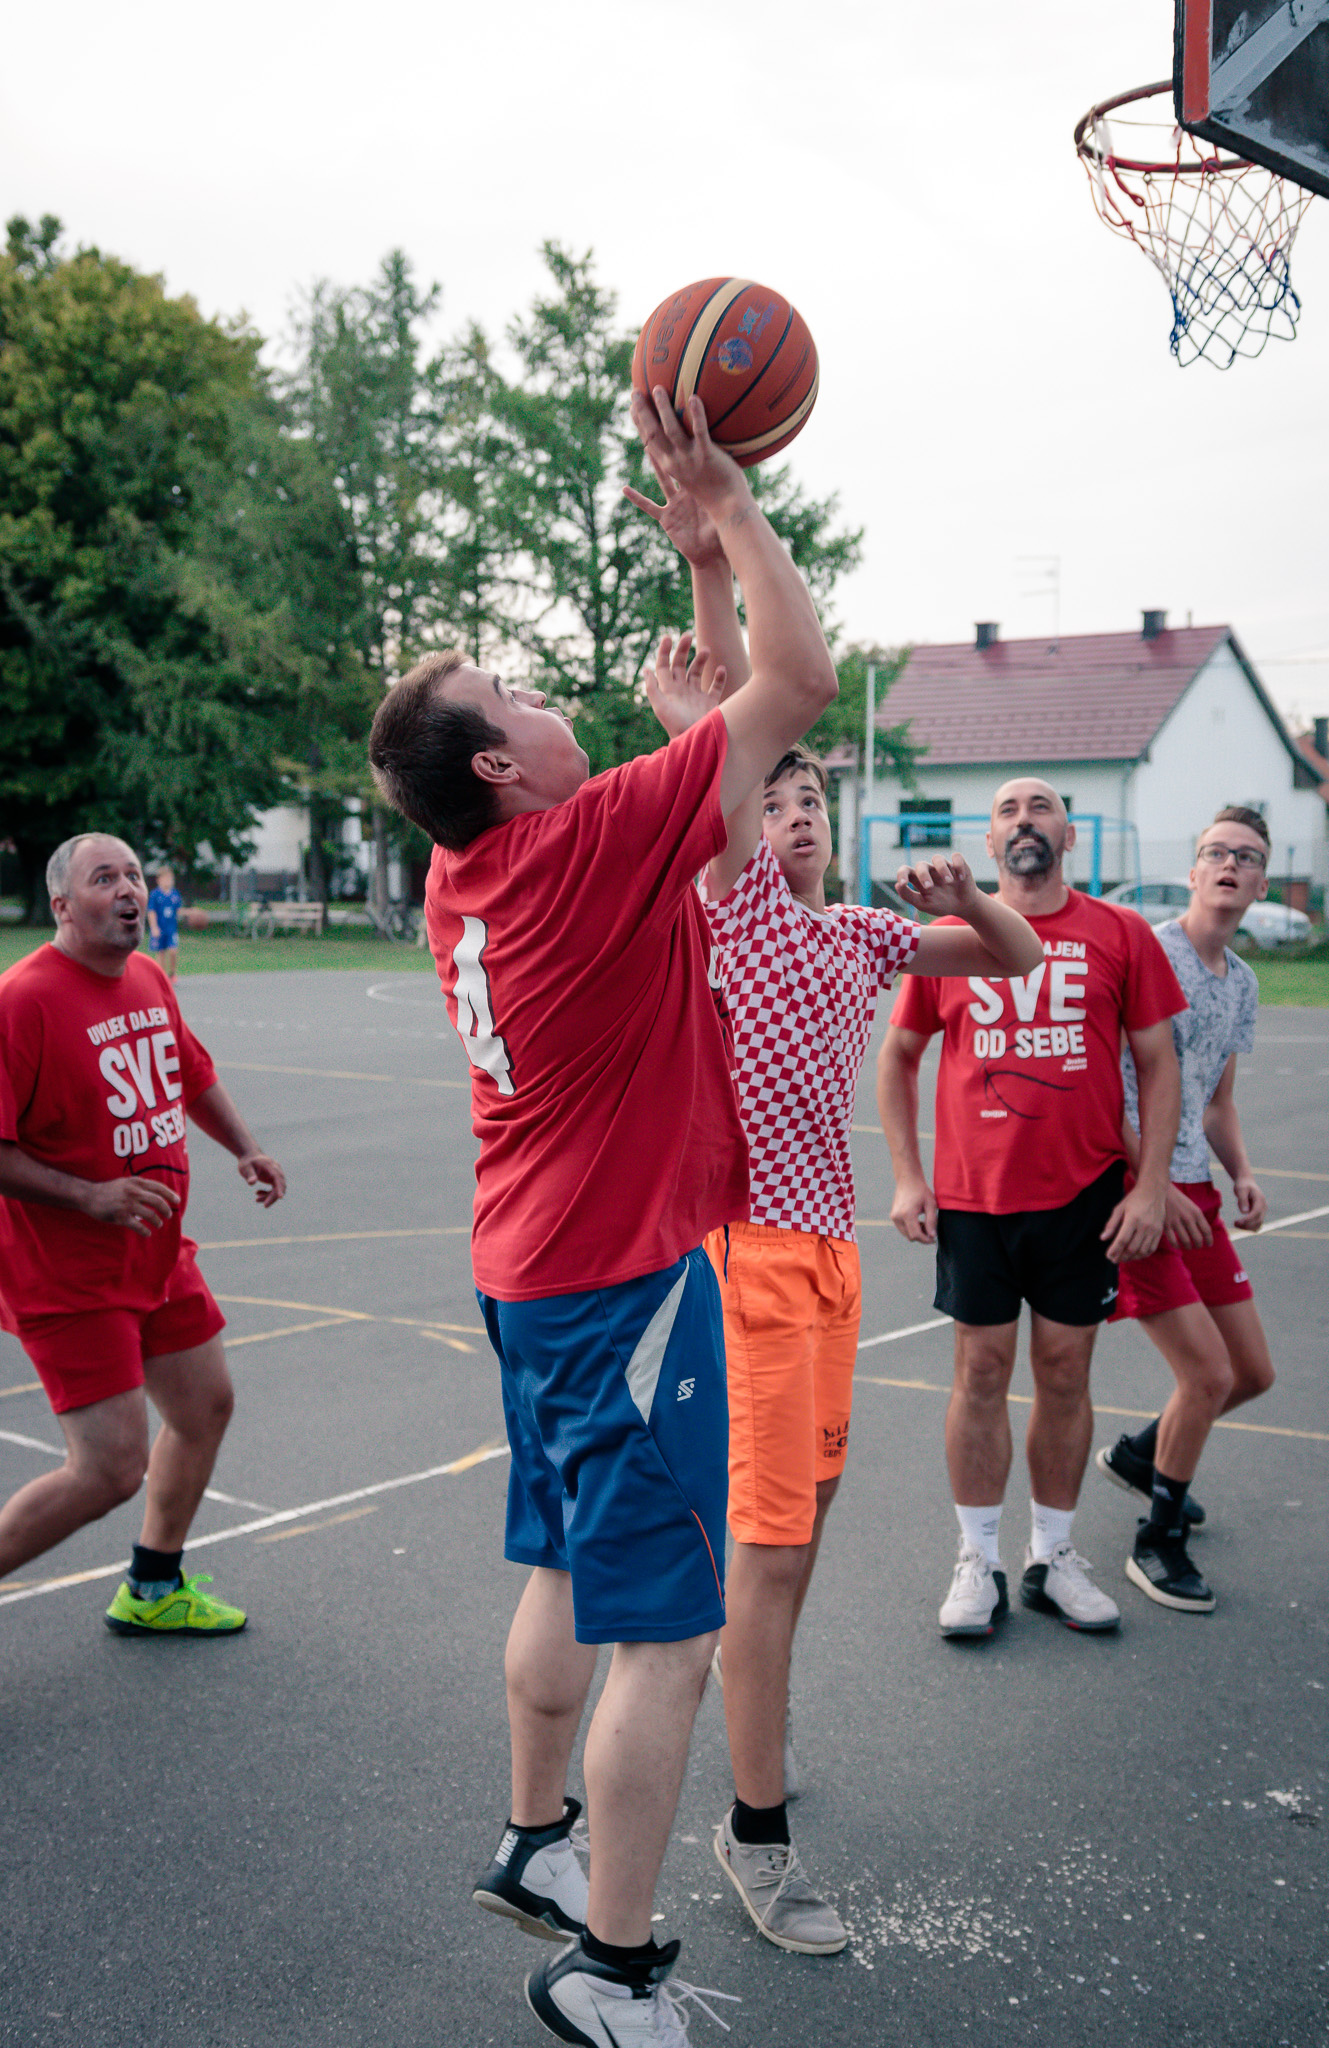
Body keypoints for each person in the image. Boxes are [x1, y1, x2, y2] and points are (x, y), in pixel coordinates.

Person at [367, 388, 837, 2046]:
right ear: (504, 762)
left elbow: (712, 804)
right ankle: (609, 1965)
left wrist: (704, 610)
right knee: (673, 1632)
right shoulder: (575, 855)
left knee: (570, 1562)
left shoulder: (474, 870)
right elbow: (797, 694)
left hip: (535, 1271)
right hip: (624, 1283)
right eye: (514, 689)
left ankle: (536, 1838)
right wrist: (728, 516)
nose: (544, 689)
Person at [632, 463, 1043, 1955]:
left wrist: (976, 890)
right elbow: (738, 717)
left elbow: (1001, 964)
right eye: (775, 794)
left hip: (824, 1263)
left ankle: (753, 1735)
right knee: (770, 1551)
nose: (791, 810)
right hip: (740, 1258)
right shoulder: (725, 903)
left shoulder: (866, 934)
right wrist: (703, 571)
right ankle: (754, 1832)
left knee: (798, 1533)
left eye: (812, 797)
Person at [877, 778, 1186, 1638]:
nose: (1024, 821)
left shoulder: (1119, 932)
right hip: (975, 1198)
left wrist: (1152, 1186)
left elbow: (1158, 1064)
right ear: (988, 836)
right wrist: (909, 1175)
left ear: (1068, 833)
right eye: (1008, 811)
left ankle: (1054, 1555)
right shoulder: (949, 939)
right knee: (978, 1374)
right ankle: (978, 1559)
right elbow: (898, 1056)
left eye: (1039, 807)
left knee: (1063, 1373)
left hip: (1080, 1194)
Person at [0, 834, 286, 1632]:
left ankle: (153, 1588)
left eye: (132, 874)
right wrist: (88, 1197)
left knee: (205, 1409)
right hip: (66, 1273)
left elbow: (189, 1072)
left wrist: (247, 1148)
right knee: (107, 1470)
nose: (128, 889)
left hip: (156, 1251)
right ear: (62, 906)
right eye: (104, 879)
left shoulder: (149, 977)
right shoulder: (21, 1001)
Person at [1096, 806, 1277, 1612]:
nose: (1229, 865)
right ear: (1194, 870)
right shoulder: (1149, 951)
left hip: (1197, 1185)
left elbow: (1213, 1099)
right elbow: (1102, 1082)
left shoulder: (1240, 981)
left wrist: (1241, 1173)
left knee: (1249, 1374)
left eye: (1246, 856)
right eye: (1215, 852)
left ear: (1261, 882)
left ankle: (1142, 1459)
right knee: (1203, 1373)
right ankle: (1157, 1537)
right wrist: (1152, 1181)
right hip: (1134, 1192)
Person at [147, 865, 183, 981]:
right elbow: (151, 912)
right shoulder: (155, 894)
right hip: (160, 928)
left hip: (171, 928)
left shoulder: (175, 894)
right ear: (159, 880)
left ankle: (172, 973)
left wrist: (191, 913)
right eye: (166, 878)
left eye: (170, 879)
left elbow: (179, 910)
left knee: (173, 951)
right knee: (160, 953)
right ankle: (162, 976)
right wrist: (154, 927)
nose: (168, 881)